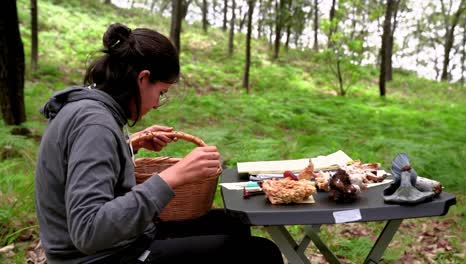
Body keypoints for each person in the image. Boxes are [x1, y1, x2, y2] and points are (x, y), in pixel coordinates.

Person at [34, 23, 284, 264]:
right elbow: (88, 231)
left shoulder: (88, 110)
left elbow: (82, 167)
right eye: (161, 92)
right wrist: (172, 178)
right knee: (261, 254)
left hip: (117, 245)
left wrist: (128, 146)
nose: (156, 103)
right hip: (100, 257)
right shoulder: (95, 125)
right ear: (143, 79)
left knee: (232, 224)